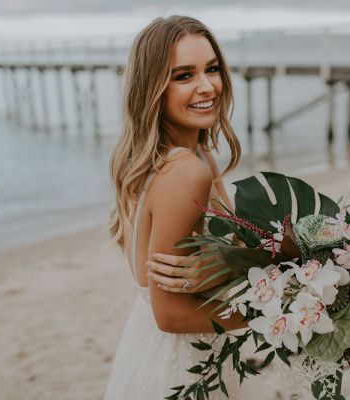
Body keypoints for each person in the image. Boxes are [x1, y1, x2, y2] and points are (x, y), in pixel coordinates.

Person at [103, 15, 249, 399]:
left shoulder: (166, 159)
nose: (207, 86)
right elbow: (170, 314)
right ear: (152, 88)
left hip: (146, 346)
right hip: (184, 362)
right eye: (184, 76)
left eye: (212, 69)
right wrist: (269, 316)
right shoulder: (186, 172)